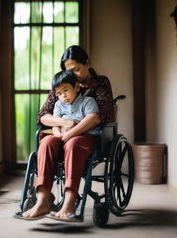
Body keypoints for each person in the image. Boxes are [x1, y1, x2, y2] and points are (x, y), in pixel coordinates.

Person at [21, 45, 114, 222]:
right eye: (68, 70)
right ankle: (42, 201)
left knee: (72, 143)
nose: (73, 74)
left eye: (77, 69)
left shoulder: (99, 83)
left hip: (86, 135)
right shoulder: (63, 84)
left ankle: (69, 203)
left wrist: (69, 133)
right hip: (63, 132)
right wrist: (64, 123)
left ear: (88, 63)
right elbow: (44, 116)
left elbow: (102, 116)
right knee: (47, 142)